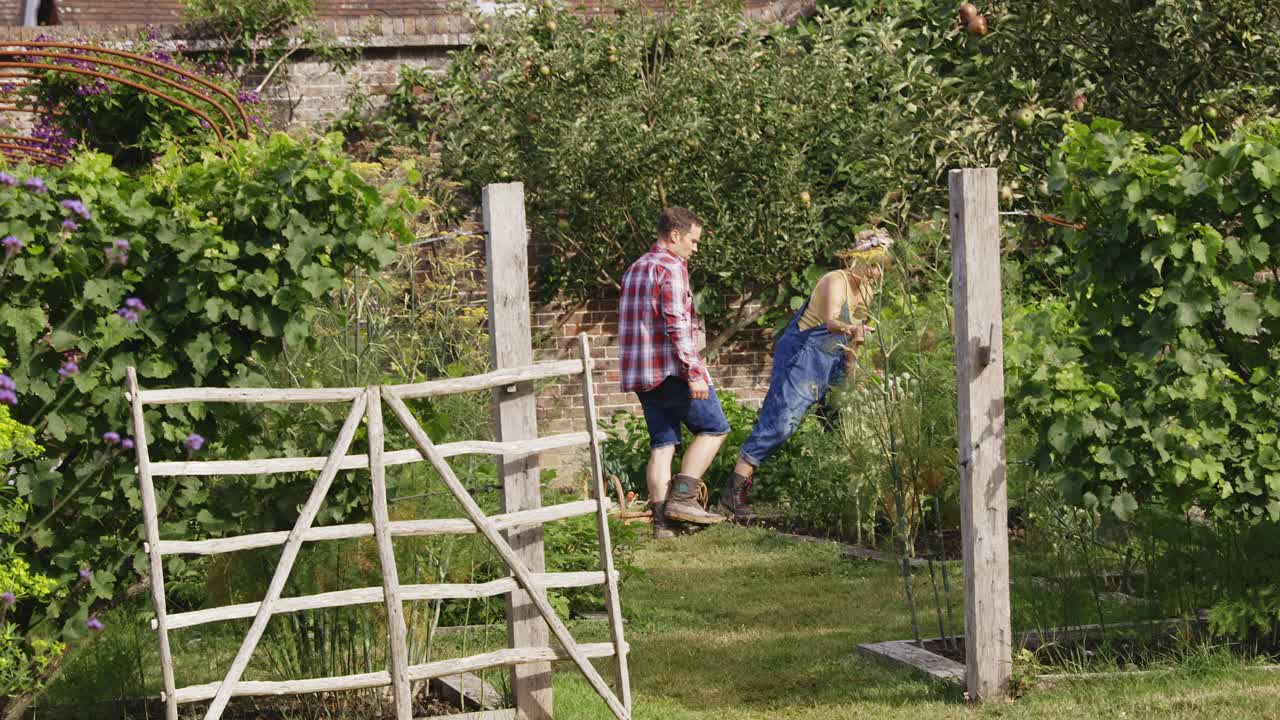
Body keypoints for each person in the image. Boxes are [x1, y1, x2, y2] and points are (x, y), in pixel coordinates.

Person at [718, 228, 894, 519]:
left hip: (834, 358)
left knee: (841, 422)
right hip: (804, 356)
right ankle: (732, 494)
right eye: (872, 264)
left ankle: (839, 496)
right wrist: (853, 330)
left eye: (880, 266)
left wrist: (852, 367)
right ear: (856, 258)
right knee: (782, 422)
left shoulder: (867, 291)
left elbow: (855, 338)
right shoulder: (835, 281)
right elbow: (832, 321)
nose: (876, 272)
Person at [619, 207, 729, 539]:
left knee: (663, 444)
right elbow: (677, 325)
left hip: (641, 374)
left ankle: (662, 523)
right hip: (672, 372)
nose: (695, 249)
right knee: (714, 428)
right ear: (675, 235)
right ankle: (683, 499)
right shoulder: (671, 268)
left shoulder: (635, 268)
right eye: (693, 241)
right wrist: (694, 373)